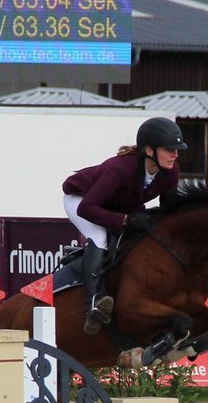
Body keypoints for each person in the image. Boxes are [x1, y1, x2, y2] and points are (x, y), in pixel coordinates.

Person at [62, 116, 188, 334]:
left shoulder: (170, 172)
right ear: (149, 151)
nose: (175, 155)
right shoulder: (119, 169)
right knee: (100, 237)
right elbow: (87, 208)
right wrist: (126, 220)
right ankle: (93, 303)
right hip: (81, 200)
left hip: (119, 203)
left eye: (176, 150)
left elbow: (169, 209)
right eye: (169, 150)